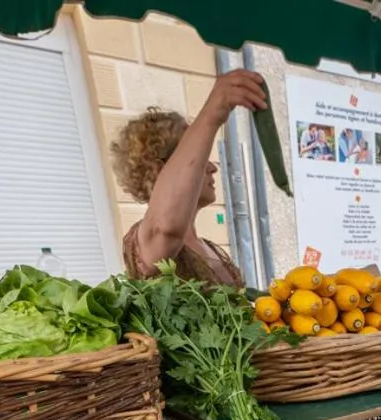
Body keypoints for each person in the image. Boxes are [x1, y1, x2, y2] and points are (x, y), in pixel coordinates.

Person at [111, 69, 266, 283]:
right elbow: (165, 228)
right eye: (199, 161)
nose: (212, 167)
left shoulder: (208, 248)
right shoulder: (146, 242)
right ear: (159, 171)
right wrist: (212, 113)